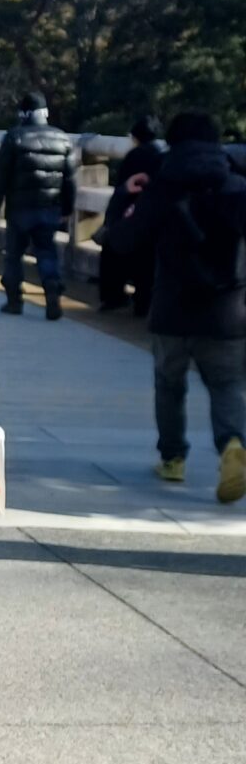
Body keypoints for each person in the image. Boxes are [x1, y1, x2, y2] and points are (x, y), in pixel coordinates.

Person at [97, 111, 246, 502]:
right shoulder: (237, 186)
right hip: (228, 309)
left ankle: (173, 458)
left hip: (172, 308)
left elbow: (122, 240)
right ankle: (232, 444)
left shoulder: (162, 187)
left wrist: (126, 195)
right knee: (228, 384)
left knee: (169, 385)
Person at [0, 91, 77, 320]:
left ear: (23, 113)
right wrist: (67, 208)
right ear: (44, 113)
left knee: (14, 254)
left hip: (19, 208)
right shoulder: (62, 138)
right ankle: (53, 291)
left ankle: (14, 300)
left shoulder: (14, 137)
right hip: (50, 206)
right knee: (47, 252)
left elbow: (0, 176)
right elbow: (70, 179)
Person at [97, 114, 166, 315]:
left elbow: (123, 189)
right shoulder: (165, 155)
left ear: (135, 137)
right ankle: (144, 304)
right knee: (148, 265)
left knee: (114, 253)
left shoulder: (134, 157)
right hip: (157, 219)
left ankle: (114, 297)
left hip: (133, 218)